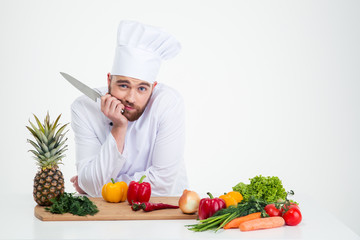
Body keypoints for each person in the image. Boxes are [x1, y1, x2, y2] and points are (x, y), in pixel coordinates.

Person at [69, 20, 188, 197]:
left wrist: (101, 186)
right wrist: (119, 127)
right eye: (123, 85)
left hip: (163, 213)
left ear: (153, 88)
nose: (131, 99)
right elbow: (92, 185)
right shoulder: (84, 108)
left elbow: (162, 186)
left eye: (142, 88)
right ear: (109, 80)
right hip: (104, 217)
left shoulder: (168, 103)